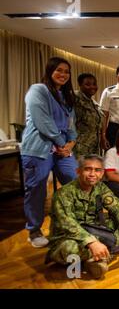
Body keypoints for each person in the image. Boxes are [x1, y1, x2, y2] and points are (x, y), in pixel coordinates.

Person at [46, 154, 119, 279]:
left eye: (97, 170)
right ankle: (105, 255)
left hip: (95, 229)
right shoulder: (64, 193)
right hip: (68, 236)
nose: (92, 174)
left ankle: (95, 257)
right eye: (87, 169)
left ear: (102, 173)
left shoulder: (100, 187)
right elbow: (67, 224)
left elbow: (118, 208)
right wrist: (92, 242)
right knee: (70, 248)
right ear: (78, 171)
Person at [21, 57, 78, 248]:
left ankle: (69, 221)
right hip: (39, 147)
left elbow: (71, 123)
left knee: (75, 179)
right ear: (50, 71)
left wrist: (71, 142)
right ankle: (34, 229)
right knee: (37, 187)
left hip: (62, 149)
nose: (63, 74)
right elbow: (43, 121)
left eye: (66, 72)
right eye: (59, 70)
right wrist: (62, 142)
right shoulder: (38, 90)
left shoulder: (67, 96)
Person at [73, 73, 102, 157]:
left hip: (93, 147)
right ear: (80, 85)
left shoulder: (92, 102)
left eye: (94, 84)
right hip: (79, 149)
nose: (92, 87)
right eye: (87, 84)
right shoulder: (75, 99)